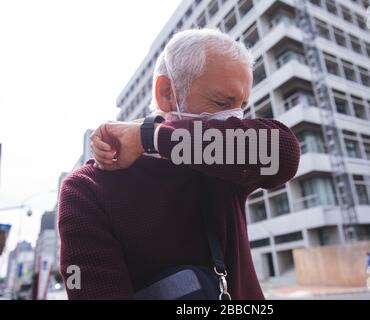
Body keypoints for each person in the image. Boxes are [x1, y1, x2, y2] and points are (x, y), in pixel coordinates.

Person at [58, 29, 300, 299]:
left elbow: (284, 153)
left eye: (242, 105)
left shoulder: (219, 160)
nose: (234, 117)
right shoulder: (86, 189)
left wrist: (150, 136)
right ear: (166, 93)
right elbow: (86, 288)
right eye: (222, 102)